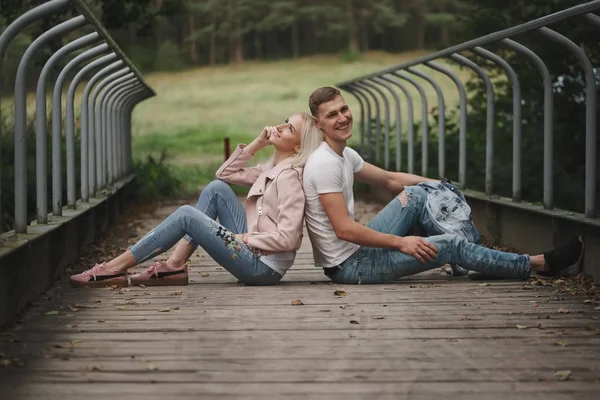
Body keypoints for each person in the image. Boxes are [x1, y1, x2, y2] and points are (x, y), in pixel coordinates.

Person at [303, 86, 584, 284]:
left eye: (344, 109)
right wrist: (402, 243)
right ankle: (538, 263)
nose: (342, 118)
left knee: (415, 195)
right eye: (332, 115)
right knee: (448, 244)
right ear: (318, 124)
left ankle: (471, 257)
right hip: (351, 267)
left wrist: (436, 184)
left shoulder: (344, 154)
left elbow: (390, 180)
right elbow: (345, 229)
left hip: (358, 253)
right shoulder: (325, 164)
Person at [70, 112, 323, 288]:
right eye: (284, 122)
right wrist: (258, 143)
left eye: (289, 129)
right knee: (216, 189)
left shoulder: (289, 177)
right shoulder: (272, 166)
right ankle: (175, 265)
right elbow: (224, 174)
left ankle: (113, 268)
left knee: (186, 215)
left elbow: (289, 239)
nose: (279, 128)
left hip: (262, 268)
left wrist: (243, 238)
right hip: (252, 250)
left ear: (299, 147)